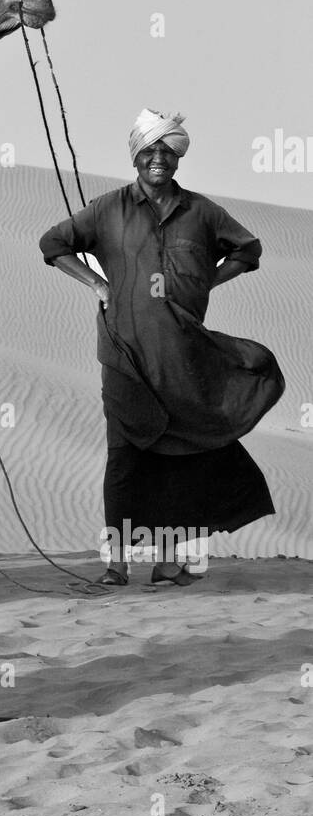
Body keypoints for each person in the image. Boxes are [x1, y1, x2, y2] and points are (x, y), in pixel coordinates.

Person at [39, 108, 284, 587]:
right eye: (150, 151)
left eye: (167, 152)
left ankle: (168, 562)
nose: (159, 160)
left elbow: (248, 250)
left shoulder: (202, 212)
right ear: (136, 156)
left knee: (178, 459)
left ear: (177, 158)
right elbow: (53, 242)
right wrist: (96, 283)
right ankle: (116, 564)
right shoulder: (108, 209)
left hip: (182, 357)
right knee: (125, 456)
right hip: (124, 355)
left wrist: (207, 281)